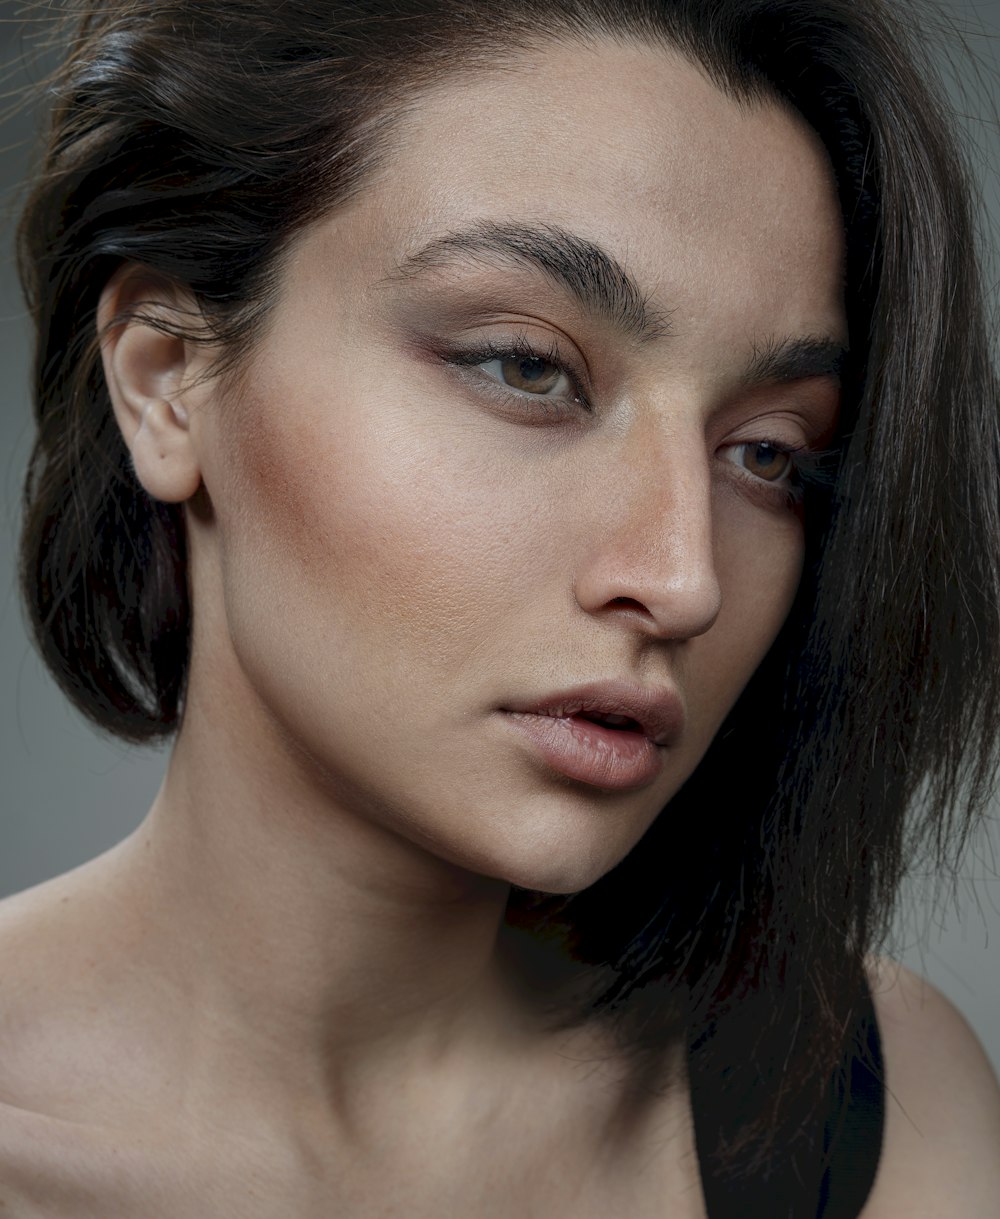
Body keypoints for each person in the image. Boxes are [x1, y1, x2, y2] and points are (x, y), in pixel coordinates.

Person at [2, 0, 999, 1214]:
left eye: (769, 453)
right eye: (527, 368)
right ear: (165, 377)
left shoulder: (864, 1107)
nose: (684, 579)